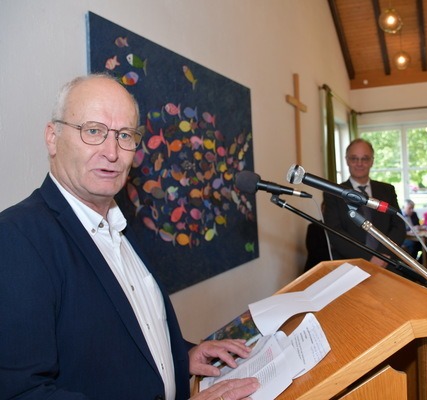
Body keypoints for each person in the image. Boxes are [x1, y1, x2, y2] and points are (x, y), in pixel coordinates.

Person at [0, 74, 259, 400]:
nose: (112, 152)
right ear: (53, 137)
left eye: (125, 135)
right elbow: (21, 392)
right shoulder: (16, 238)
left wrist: (183, 356)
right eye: (93, 131)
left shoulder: (121, 224)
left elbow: (124, 335)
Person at [323, 138, 406, 267]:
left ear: (372, 161)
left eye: (365, 158)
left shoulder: (387, 190)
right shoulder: (333, 193)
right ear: (347, 161)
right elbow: (335, 232)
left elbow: (399, 226)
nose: (359, 163)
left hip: (387, 263)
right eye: (354, 158)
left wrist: (383, 256)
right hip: (350, 264)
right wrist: (369, 258)